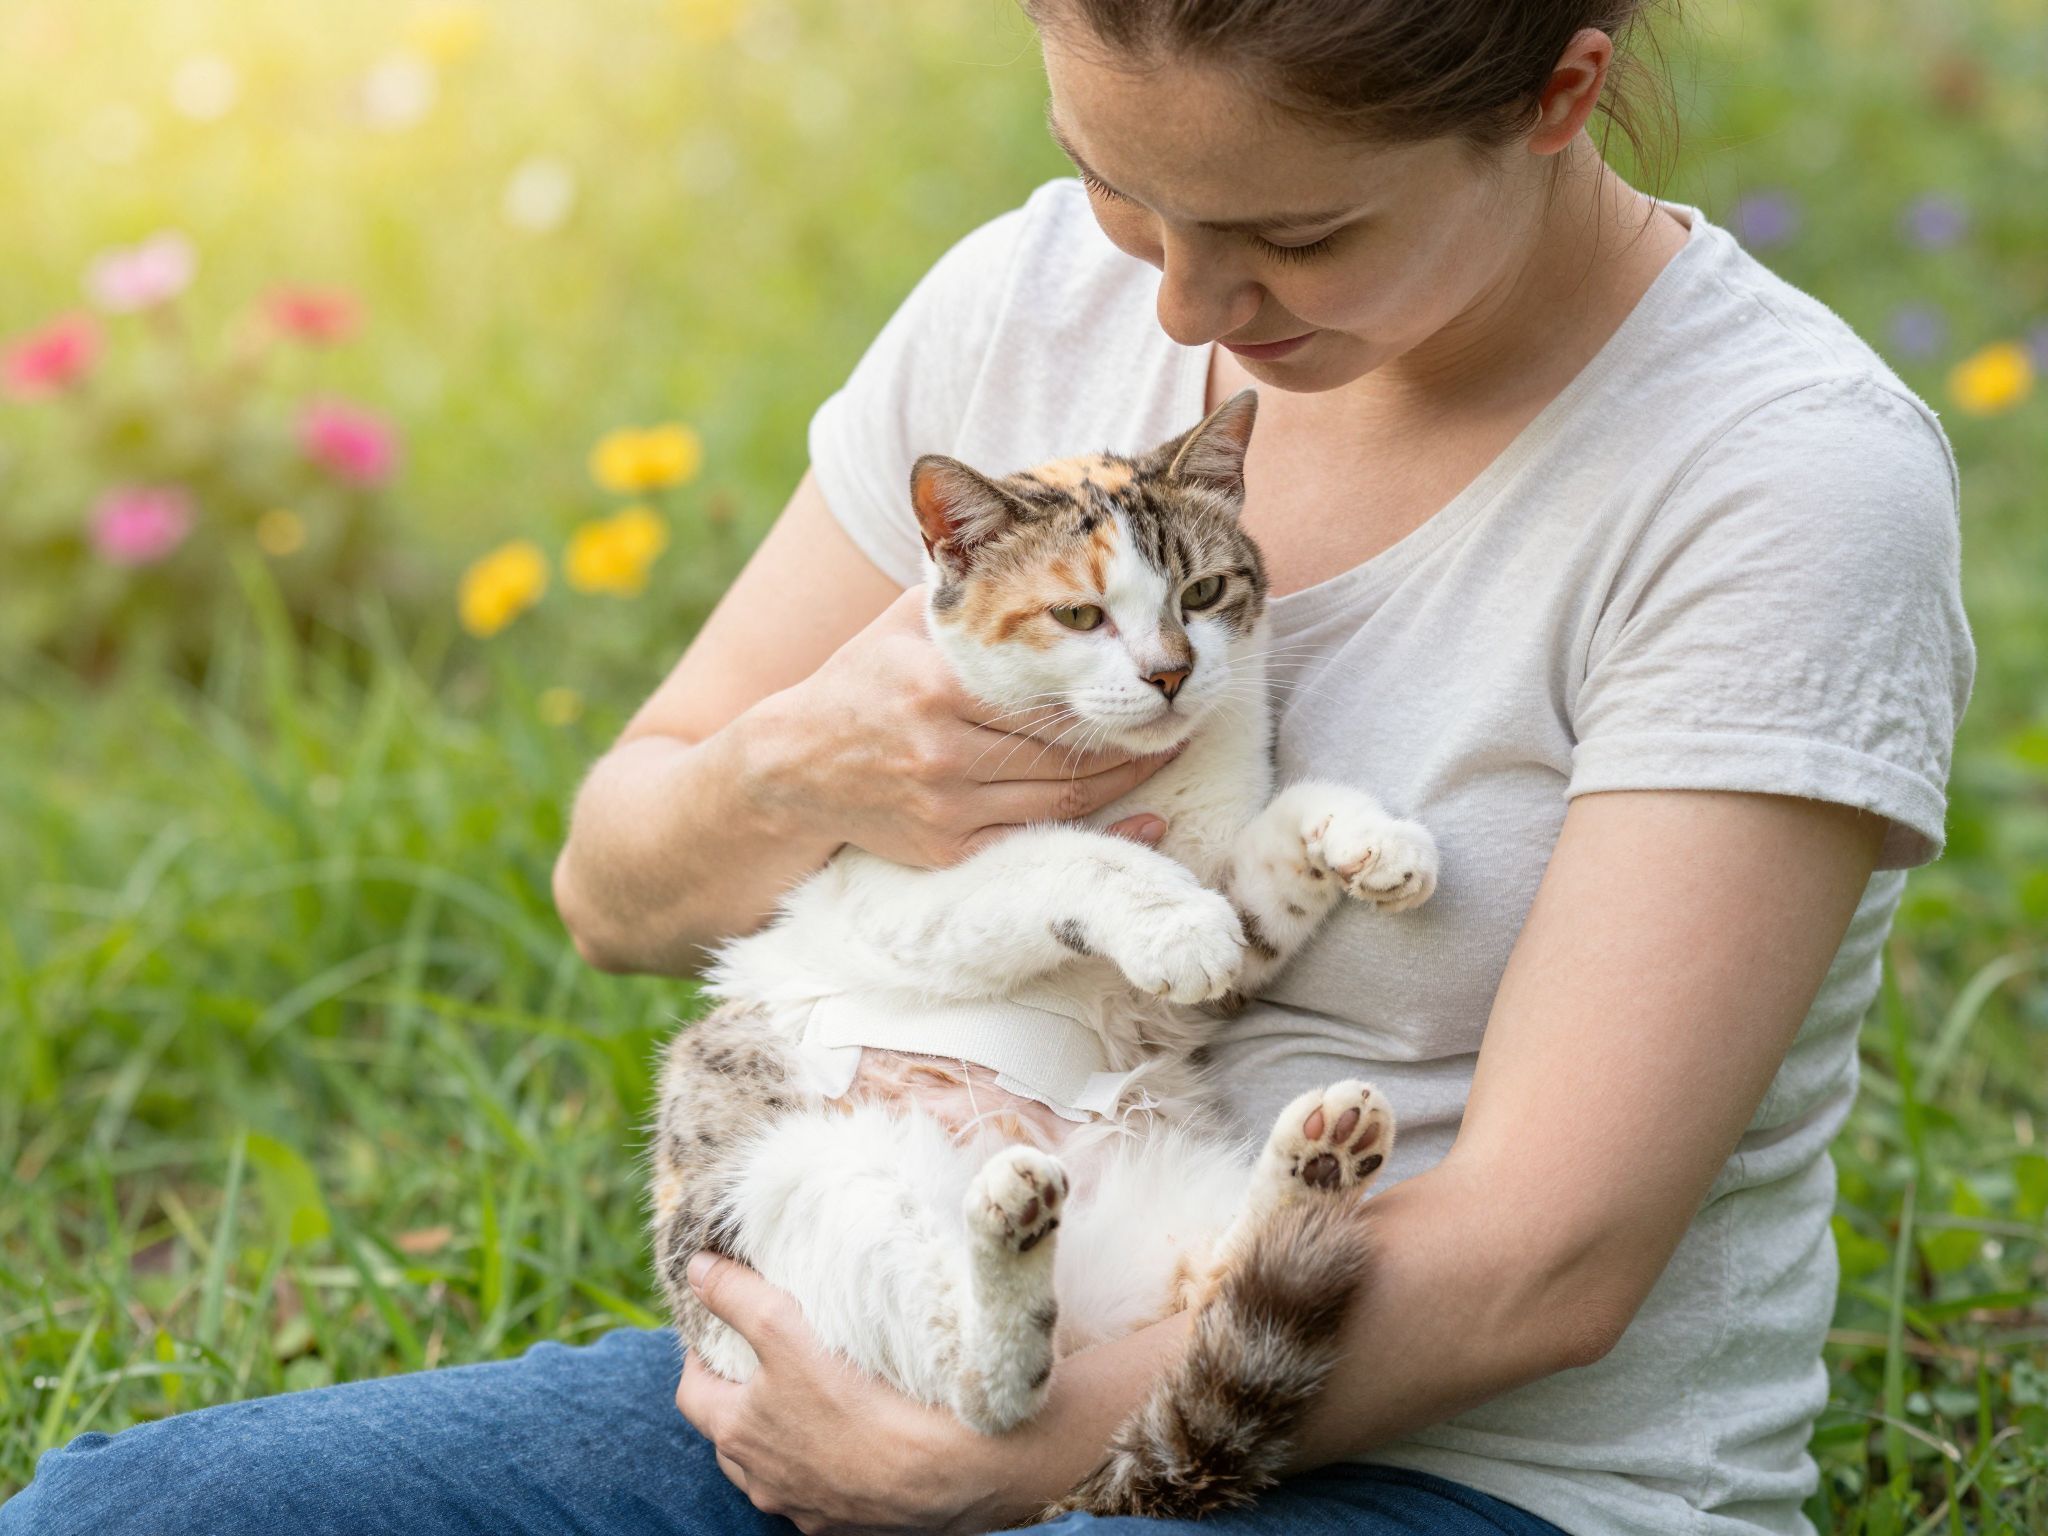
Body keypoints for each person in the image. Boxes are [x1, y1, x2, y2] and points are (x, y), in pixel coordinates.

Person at [3, 3, 1973, 1534]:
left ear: (1556, 98)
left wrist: (1006, 1477)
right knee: (126, 1514)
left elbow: (1546, 1261)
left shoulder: (1774, 477)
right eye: (1126, 192)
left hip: (1442, 1466)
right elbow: (616, 888)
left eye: (1296, 233)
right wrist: (802, 767)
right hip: (921, 1316)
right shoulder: (1030, 301)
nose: (1181, 311)